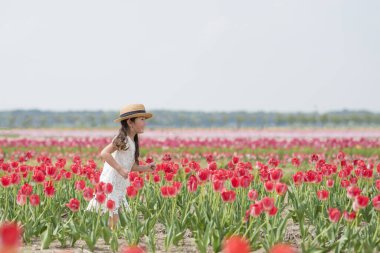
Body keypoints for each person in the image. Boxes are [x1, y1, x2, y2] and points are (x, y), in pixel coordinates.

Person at [86, 103, 156, 229]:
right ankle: (105, 234)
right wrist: (119, 168)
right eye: (142, 119)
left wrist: (146, 168)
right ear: (130, 122)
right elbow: (104, 153)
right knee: (112, 215)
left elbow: (131, 166)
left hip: (120, 184)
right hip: (111, 182)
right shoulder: (122, 139)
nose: (144, 123)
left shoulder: (133, 142)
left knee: (117, 217)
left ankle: (109, 234)